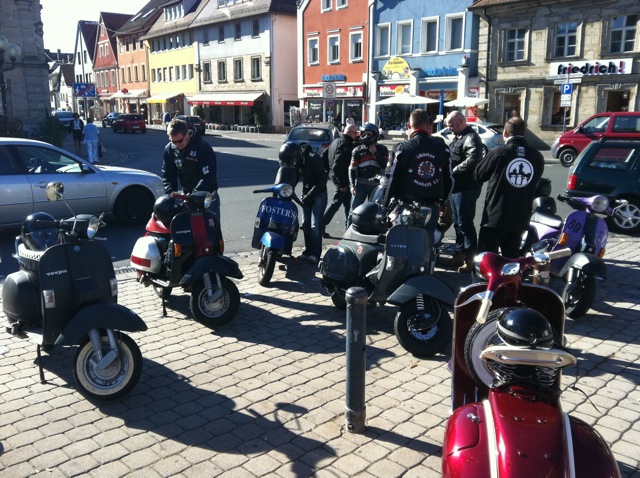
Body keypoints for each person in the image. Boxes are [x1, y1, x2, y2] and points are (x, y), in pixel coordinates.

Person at [474, 115, 544, 258]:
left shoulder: (498, 153)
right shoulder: (537, 156)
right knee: (511, 263)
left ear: (505, 133)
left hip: (495, 217)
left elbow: (478, 175)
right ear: (525, 133)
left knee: (486, 260)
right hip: (520, 217)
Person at [384, 109, 453, 237]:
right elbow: (449, 179)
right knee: (426, 241)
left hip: (407, 205)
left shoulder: (401, 148)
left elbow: (391, 179)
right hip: (431, 205)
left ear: (409, 125)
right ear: (428, 125)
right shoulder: (443, 148)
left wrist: (385, 204)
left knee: (406, 241)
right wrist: (444, 202)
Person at [443, 110, 484, 272]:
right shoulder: (460, 136)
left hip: (467, 188)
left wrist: (453, 171)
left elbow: (473, 159)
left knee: (465, 224)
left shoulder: (471, 137)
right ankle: (459, 255)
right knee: (457, 223)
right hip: (457, 187)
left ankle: (470, 259)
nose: (449, 128)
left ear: (460, 122)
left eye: (451, 125)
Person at [161, 118, 221, 221]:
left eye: (179, 141)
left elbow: (208, 177)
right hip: (187, 195)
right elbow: (168, 174)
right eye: (173, 141)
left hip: (207, 196)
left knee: (211, 227)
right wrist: (171, 193)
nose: (176, 145)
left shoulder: (203, 148)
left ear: (187, 134)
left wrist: (194, 195)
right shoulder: (170, 149)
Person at [293, 142, 328, 264]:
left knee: (315, 225)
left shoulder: (313, 159)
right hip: (306, 192)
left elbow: (322, 180)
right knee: (305, 224)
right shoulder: (297, 160)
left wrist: (310, 194)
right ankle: (307, 251)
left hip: (319, 193)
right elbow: (294, 176)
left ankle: (315, 254)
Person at [348, 122, 389, 224]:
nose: (366, 136)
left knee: (375, 212)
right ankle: (348, 231)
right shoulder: (357, 150)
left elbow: (383, 165)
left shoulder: (382, 149)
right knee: (354, 211)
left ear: (375, 135)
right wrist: (352, 185)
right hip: (360, 184)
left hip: (376, 185)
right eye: (364, 134)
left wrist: (375, 153)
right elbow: (352, 169)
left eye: (369, 134)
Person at [321, 124, 358, 237]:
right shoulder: (345, 144)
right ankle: (321, 225)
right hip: (342, 178)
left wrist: (329, 171)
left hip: (337, 177)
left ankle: (348, 228)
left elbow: (324, 156)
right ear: (350, 132)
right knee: (336, 203)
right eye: (355, 133)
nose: (356, 136)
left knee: (348, 204)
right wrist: (342, 183)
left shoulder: (335, 141)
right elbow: (337, 165)